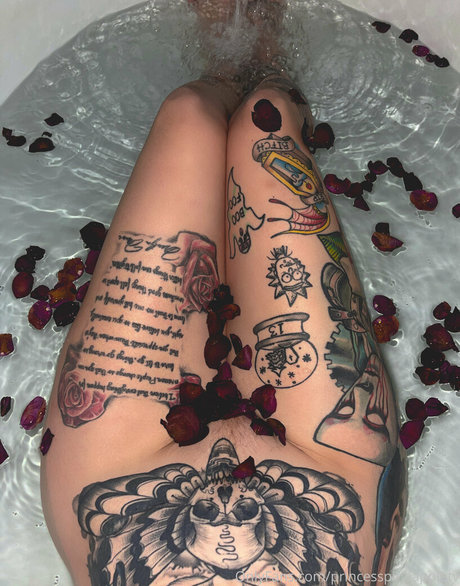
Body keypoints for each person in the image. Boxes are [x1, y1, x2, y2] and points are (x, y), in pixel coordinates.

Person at [40, 1, 407, 584]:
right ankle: (266, 63)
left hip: (117, 490)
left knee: (189, 115)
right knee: (268, 124)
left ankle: (224, 71)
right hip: (330, 474)